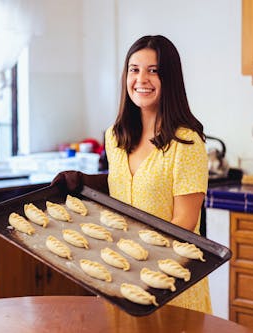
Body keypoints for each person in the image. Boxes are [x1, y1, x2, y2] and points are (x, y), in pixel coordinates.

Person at [52, 35, 211, 313]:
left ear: (170, 78)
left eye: (153, 70)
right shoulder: (115, 137)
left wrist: (143, 264)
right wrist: (85, 181)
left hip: (169, 281)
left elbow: (184, 223)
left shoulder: (186, 142)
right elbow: (124, 187)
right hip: (120, 278)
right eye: (134, 69)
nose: (141, 79)